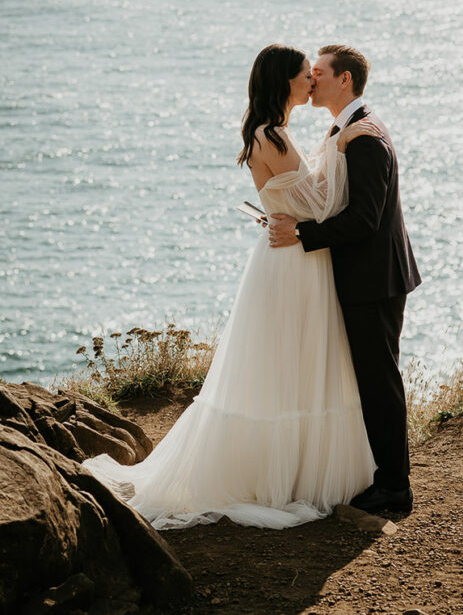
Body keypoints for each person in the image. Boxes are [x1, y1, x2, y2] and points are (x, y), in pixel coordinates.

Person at [82, 44, 381, 530]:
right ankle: (279, 478)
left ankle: (295, 470)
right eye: (306, 74)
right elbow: (323, 205)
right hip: (292, 265)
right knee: (288, 366)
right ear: (285, 80)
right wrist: (339, 145)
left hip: (294, 257)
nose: (312, 81)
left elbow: (303, 202)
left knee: (293, 366)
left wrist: (329, 150)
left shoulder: (274, 133)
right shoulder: (274, 137)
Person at [269, 44, 421, 514]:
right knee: (373, 379)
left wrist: (302, 233)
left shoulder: (366, 137)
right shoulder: (345, 129)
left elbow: (365, 220)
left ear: (345, 80)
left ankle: (395, 488)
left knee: (380, 381)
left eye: (318, 73)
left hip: (375, 279)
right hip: (366, 275)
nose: (311, 80)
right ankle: (383, 476)